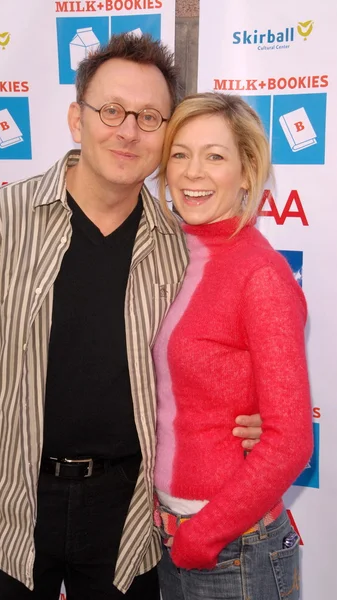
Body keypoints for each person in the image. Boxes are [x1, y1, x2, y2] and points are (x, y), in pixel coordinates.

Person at [0, 37, 261, 600]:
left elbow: (203, 358)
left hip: (129, 515)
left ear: (165, 134)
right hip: (10, 503)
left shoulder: (180, 248)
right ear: (76, 119)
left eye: (149, 117)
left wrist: (251, 415)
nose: (128, 130)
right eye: (111, 110)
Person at [152, 92, 313, 600]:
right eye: (180, 153)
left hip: (232, 552)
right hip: (170, 539)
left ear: (248, 173)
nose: (193, 172)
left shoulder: (260, 274)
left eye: (215, 156)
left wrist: (203, 535)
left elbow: (290, 441)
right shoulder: (172, 255)